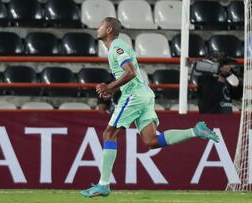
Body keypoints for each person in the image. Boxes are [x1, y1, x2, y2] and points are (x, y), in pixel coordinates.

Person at [80, 17, 220, 198]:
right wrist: (113, 89)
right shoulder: (116, 47)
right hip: (144, 94)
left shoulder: (116, 47)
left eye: (100, 25)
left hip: (135, 96)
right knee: (151, 141)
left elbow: (130, 72)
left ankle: (103, 185)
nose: (96, 28)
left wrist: (109, 87)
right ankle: (195, 131)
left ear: (108, 29)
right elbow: (130, 73)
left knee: (109, 134)